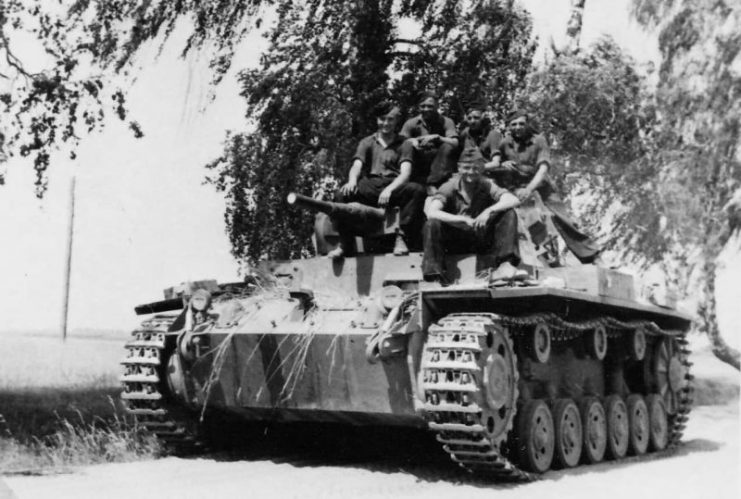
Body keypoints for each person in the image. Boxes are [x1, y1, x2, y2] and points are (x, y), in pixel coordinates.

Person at [487, 109, 601, 263]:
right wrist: (503, 164)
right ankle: (521, 261)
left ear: (527, 124)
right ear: (508, 127)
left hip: (541, 185)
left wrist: (529, 189)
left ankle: (590, 255)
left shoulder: (539, 140)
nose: (518, 127)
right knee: (513, 217)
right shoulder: (505, 143)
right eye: (513, 124)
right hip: (517, 186)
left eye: (521, 123)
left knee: (561, 217)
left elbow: (543, 169)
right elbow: (496, 164)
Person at [331, 101, 426, 259]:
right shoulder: (367, 142)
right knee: (341, 196)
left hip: (393, 185)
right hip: (371, 184)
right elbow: (356, 165)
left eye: (390, 119)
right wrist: (352, 181)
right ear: (377, 120)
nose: (386, 123)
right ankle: (345, 243)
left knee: (417, 190)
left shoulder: (404, 144)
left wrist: (390, 189)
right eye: (382, 119)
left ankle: (401, 237)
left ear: (396, 121)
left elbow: (405, 173)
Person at [422, 146, 521, 283]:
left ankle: (505, 265)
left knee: (509, 213)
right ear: (459, 168)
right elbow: (432, 213)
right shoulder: (449, 187)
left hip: (480, 237)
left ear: (482, 168)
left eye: (476, 168)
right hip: (455, 240)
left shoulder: (486, 184)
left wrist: (488, 211)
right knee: (432, 224)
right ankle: (433, 276)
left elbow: (513, 199)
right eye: (466, 168)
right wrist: (460, 219)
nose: (471, 172)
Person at [400, 91, 460, 192]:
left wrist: (438, 137)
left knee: (448, 146)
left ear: (437, 106)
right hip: (419, 160)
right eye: (422, 106)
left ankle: (433, 183)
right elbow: (400, 141)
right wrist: (412, 140)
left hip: (439, 162)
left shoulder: (446, 121)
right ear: (418, 107)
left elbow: (455, 142)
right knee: (406, 144)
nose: (426, 109)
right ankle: (405, 179)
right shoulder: (411, 123)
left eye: (430, 106)